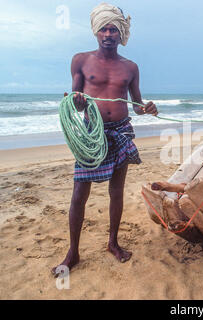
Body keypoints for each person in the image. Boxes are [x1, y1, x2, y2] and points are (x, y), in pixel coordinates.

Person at [52, 3, 158, 276]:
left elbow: (136, 104)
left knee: (116, 190)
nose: (108, 34)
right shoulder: (80, 61)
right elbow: (76, 104)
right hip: (92, 133)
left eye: (113, 29)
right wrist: (75, 102)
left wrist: (147, 108)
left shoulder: (130, 67)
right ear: (96, 32)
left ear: (120, 33)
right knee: (79, 193)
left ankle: (113, 242)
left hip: (121, 129)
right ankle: (73, 252)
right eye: (103, 29)